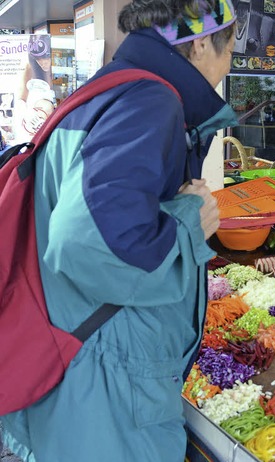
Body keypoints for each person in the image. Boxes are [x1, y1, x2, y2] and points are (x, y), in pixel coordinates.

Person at [0, 1, 237, 461]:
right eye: (230, 49)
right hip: (106, 374)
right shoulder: (150, 102)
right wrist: (191, 219)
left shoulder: (110, 88)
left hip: (74, 350)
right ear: (204, 41)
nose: (228, 64)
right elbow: (84, 242)